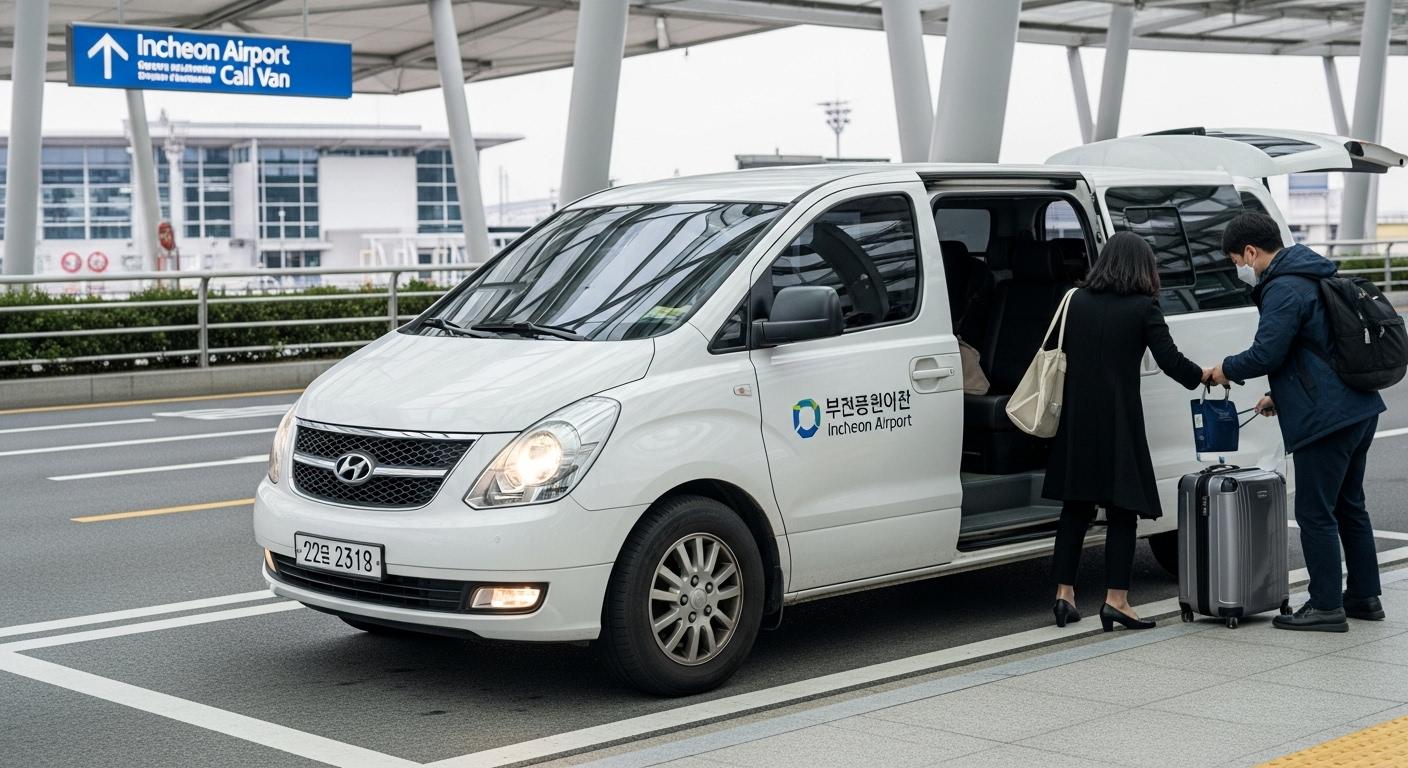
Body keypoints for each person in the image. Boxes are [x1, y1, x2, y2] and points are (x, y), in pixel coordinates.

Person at [1210, 213, 1386, 632]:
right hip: (1357, 407)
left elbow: (1266, 353)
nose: (1240, 269)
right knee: (1349, 505)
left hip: (1326, 419)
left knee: (1314, 511)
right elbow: (1314, 347)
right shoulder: (1310, 272)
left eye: (1237, 260)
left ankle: (1326, 606)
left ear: (1251, 252)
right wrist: (1279, 396)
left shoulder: (1283, 288)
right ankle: (1364, 596)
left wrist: (1224, 370)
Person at [1046, 232, 1208, 631]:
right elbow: (1170, 360)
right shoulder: (1143, 307)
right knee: (1122, 510)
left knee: (1075, 508)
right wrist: (1203, 376)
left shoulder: (1075, 301)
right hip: (1119, 420)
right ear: (1144, 267)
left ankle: (1064, 596)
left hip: (1078, 419)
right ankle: (1116, 601)